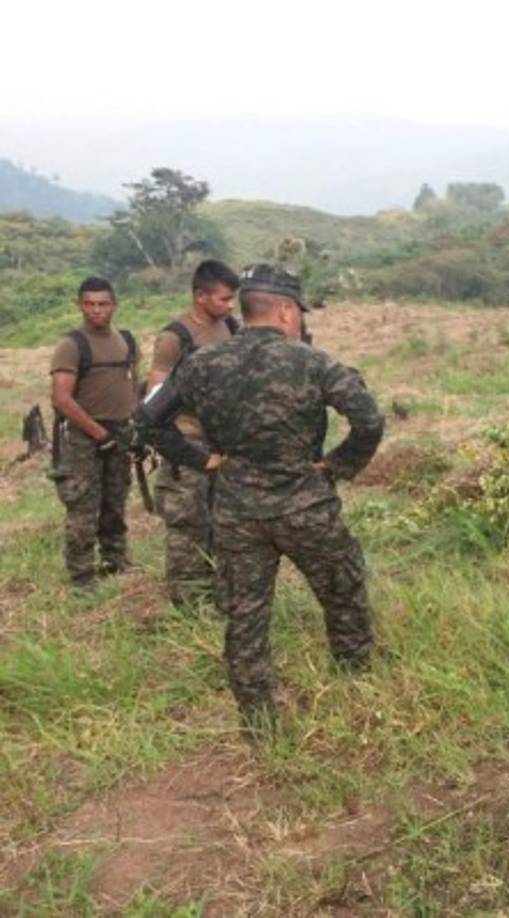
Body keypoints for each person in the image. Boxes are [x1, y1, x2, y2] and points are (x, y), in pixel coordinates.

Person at [138, 264, 384, 734]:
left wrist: (201, 459)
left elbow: (147, 420)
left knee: (245, 615)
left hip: (237, 511)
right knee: (343, 592)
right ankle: (356, 685)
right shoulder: (312, 362)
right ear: (286, 310)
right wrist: (337, 465)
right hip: (305, 507)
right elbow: (369, 420)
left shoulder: (201, 363)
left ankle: (256, 719)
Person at [146, 259, 241, 608]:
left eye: (233, 298)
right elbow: (155, 398)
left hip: (223, 441)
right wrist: (177, 447)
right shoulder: (175, 338)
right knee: (187, 524)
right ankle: (187, 605)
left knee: (222, 521)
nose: (231, 305)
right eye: (224, 299)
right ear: (200, 296)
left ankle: (219, 594)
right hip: (187, 440)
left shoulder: (230, 327)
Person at [49, 277, 141, 589]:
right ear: (79, 305)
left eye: (103, 304)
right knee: (83, 507)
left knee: (116, 501)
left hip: (121, 431)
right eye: (89, 304)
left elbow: (132, 386)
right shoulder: (71, 345)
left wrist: (135, 427)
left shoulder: (126, 340)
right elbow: (61, 399)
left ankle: (115, 560)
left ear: (114, 305)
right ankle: (82, 576)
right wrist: (99, 434)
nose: (96, 310)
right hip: (83, 435)